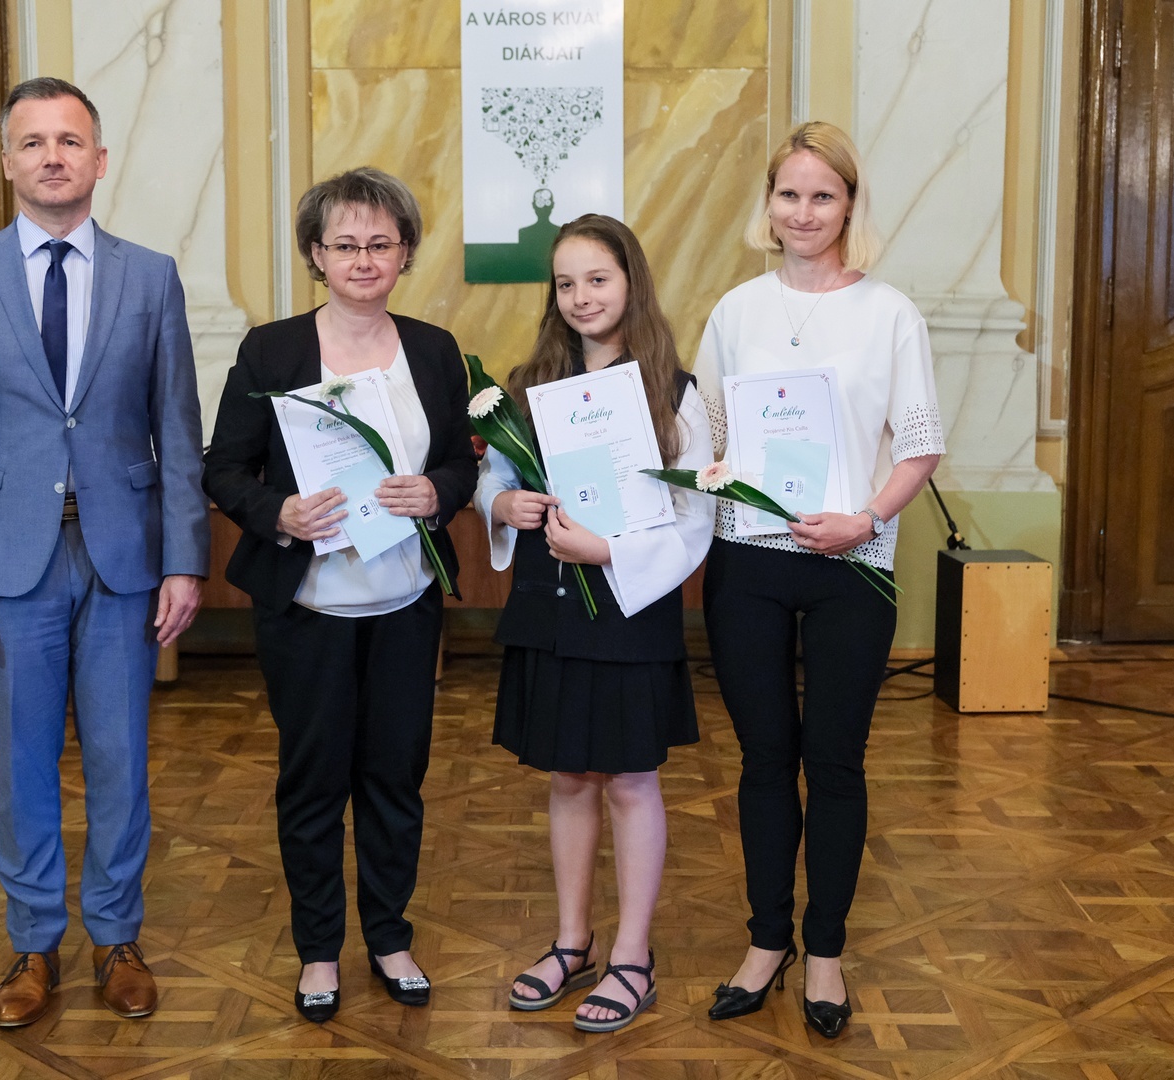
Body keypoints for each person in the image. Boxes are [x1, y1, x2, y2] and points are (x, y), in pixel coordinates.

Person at [0, 77, 210, 1028]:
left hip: (123, 562)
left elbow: (178, 430)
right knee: (24, 765)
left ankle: (117, 938)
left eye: (70, 141)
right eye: (33, 142)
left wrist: (185, 558)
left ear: (99, 159)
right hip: (5, 567)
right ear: (7, 161)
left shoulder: (150, 276)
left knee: (121, 761)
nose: (52, 156)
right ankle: (34, 944)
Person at [201, 167, 477, 1024]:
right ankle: (319, 949)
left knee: (397, 776)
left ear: (406, 254)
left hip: (405, 601)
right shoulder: (272, 350)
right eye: (345, 244)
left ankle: (390, 938)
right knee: (314, 780)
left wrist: (438, 491)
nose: (363, 259)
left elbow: (460, 464)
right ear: (316, 254)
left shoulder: (434, 350)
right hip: (309, 607)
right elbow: (222, 467)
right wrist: (277, 512)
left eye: (380, 244)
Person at [695, 121, 943, 1039]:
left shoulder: (890, 313)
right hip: (749, 559)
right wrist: (710, 467)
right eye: (789, 194)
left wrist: (865, 521)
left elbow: (919, 446)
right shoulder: (736, 310)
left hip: (852, 561)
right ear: (769, 204)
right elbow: (707, 433)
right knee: (764, 760)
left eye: (822, 196)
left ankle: (826, 951)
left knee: (835, 763)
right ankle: (767, 942)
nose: (803, 212)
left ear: (849, 206)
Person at [477, 214, 716, 1033]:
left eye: (598, 279)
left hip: (629, 608)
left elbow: (695, 519)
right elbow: (494, 483)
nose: (581, 297)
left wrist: (609, 551)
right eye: (566, 283)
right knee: (568, 776)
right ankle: (572, 942)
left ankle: (633, 957)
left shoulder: (674, 392)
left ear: (631, 283)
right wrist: (503, 504)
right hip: (550, 608)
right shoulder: (528, 388)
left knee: (631, 780)